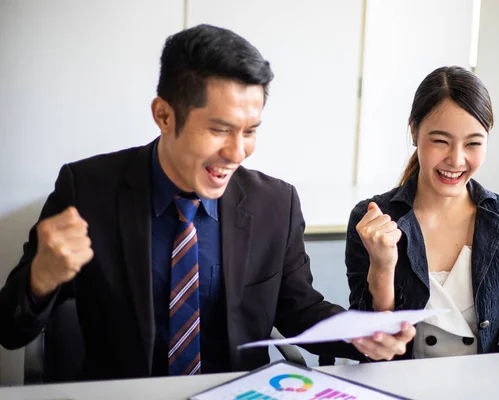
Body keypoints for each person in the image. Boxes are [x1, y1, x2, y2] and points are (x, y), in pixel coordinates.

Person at [0, 24, 415, 380]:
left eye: (250, 131)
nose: (238, 153)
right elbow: (10, 328)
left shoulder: (275, 203)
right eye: (219, 130)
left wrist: (365, 332)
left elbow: (300, 310)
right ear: (164, 115)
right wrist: (41, 277)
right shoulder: (88, 190)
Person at [345, 66, 499, 360]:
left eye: (473, 143)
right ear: (414, 130)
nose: (456, 159)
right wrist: (382, 268)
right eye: (441, 141)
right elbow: (368, 349)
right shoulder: (374, 219)